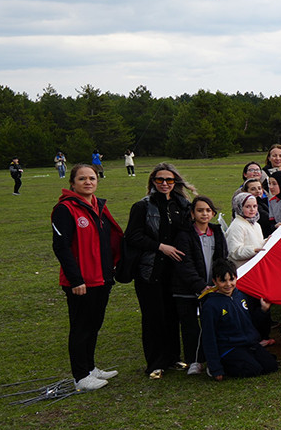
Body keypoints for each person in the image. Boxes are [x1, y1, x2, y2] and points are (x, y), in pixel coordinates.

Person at [52, 164, 123, 390]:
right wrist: (76, 280)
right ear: (72, 183)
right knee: (81, 327)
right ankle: (80, 376)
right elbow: (61, 247)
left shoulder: (97, 206)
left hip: (102, 277)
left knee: (94, 325)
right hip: (81, 281)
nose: (88, 182)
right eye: (82, 178)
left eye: (91, 178)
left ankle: (91, 367)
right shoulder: (65, 209)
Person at [124, 163, 193, 379]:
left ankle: (173, 358)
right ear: (153, 181)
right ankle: (155, 363)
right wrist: (160, 246)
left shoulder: (182, 205)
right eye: (160, 180)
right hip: (150, 270)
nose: (164, 184)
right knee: (153, 317)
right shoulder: (142, 206)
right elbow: (132, 236)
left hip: (175, 271)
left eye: (169, 180)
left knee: (173, 315)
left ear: (175, 182)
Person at [172, 196, 228, 374]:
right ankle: (194, 360)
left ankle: (212, 358)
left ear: (213, 213)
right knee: (190, 326)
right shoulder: (184, 235)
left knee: (210, 324)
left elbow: (222, 258)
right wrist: (199, 285)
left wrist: (219, 282)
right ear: (192, 213)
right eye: (200, 210)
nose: (204, 214)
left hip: (211, 287)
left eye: (207, 210)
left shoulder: (217, 232)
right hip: (187, 289)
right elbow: (184, 263)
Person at [198, 260, 277, 380]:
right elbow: (209, 337)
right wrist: (216, 367)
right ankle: (218, 366)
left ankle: (249, 359)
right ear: (215, 281)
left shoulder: (242, 295)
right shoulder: (211, 305)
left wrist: (263, 310)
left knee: (271, 366)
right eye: (223, 281)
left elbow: (251, 321)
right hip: (229, 348)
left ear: (236, 277)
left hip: (248, 344)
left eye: (231, 279)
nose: (228, 284)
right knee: (253, 370)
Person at [225, 193, 265, 269]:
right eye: (247, 207)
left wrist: (267, 242)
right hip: (242, 268)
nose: (252, 209)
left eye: (255, 206)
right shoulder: (237, 226)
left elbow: (258, 243)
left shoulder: (256, 224)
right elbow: (234, 252)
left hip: (254, 266)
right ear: (239, 207)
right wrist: (253, 250)